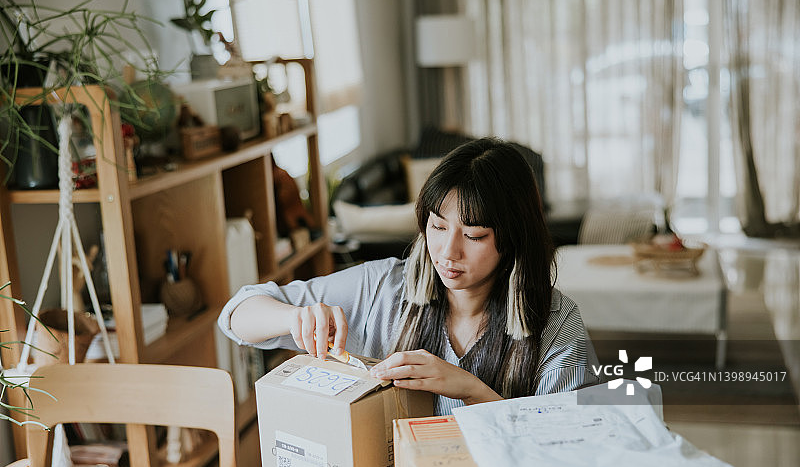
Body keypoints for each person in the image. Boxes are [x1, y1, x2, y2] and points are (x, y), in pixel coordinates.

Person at [218, 137, 600, 415]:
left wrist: (471, 390)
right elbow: (235, 315)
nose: (448, 252)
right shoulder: (382, 288)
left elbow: (567, 447)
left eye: (474, 236)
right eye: (436, 227)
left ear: (514, 238)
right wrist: (293, 316)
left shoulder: (556, 324)